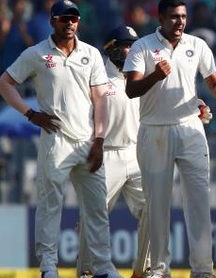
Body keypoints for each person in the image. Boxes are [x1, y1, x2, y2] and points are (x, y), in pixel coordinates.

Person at [0, 0, 121, 278]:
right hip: (55, 140)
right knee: (51, 205)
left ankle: (101, 267)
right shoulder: (37, 53)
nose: (70, 23)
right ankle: (48, 267)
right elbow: (4, 84)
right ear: (53, 21)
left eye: (74, 18)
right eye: (64, 19)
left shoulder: (91, 54)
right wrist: (30, 113)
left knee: (97, 207)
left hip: (88, 142)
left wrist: (100, 139)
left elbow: (101, 99)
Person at [123, 0, 216, 278]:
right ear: (160, 19)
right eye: (173, 17)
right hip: (154, 129)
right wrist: (155, 76)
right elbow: (131, 90)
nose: (179, 22)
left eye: (183, 16)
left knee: (199, 201)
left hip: (190, 128)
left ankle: (203, 270)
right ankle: (159, 269)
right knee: (157, 204)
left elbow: (214, 91)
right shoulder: (142, 46)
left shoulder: (198, 45)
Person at [77, 26, 151, 278]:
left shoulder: (141, 78)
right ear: (111, 48)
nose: (132, 50)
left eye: (135, 44)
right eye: (126, 45)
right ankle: (87, 269)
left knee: (153, 209)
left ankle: (144, 269)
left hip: (136, 153)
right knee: (94, 215)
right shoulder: (98, 78)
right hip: (106, 154)